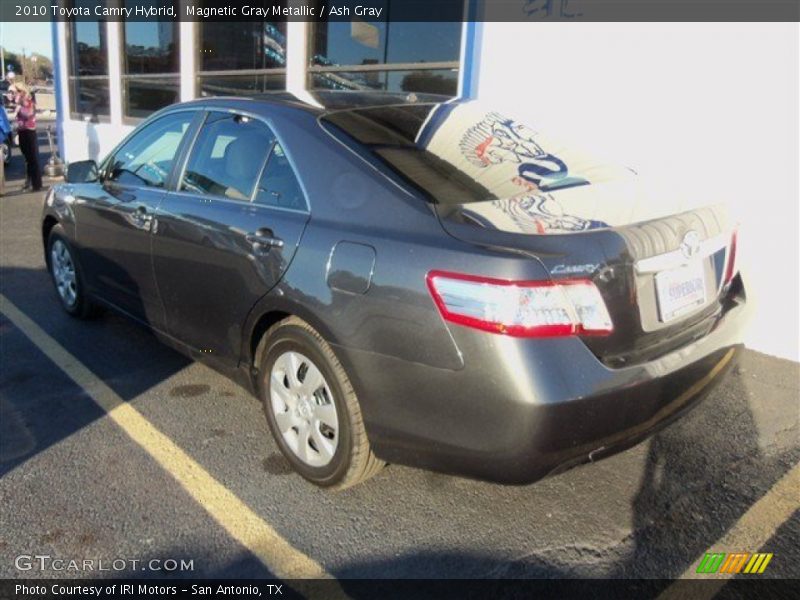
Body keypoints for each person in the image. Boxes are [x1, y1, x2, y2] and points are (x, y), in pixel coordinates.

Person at [11, 81, 42, 191]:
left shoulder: (28, 102)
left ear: (22, 91)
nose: (15, 94)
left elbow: (28, 115)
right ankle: (28, 182)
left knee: (32, 158)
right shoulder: (21, 102)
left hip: (29, 131)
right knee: (27, 159)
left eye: (17, 91)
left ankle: (36, 184)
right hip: (23, 131)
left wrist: (19, 107)